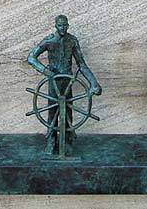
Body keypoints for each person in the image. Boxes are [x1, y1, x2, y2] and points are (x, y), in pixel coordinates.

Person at [27, 14, 102, 155]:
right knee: (53, 111)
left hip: (67, 81)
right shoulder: (48, 41)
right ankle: (51, 140)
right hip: (54, 81)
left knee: (67, 111)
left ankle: (67, 141)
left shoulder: (72, 41)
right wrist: (45, 70)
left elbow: (82, 64)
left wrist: (94, 83)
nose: (63, 28)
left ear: (68, 25)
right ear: (56, 26)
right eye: (60, 25)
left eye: (65, 25)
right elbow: (31, 58)